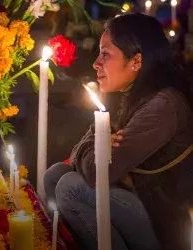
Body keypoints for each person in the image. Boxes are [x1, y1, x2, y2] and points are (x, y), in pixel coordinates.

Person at [44, 13, 193, 250]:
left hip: (163, 228)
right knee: (55, 173)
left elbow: (98, 173)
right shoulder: (128, 96)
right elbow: (77, 158)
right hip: (136, 199)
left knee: (70, 186)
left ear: (136, 61)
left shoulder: (162, 105)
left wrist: (95, 145)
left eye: (106, 54)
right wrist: (96, 144)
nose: (96, 63)